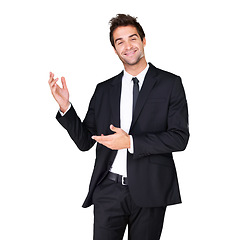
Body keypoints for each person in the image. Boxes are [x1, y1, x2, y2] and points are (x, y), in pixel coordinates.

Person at [48, 14, 189, 240]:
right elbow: (86, 142)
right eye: (119, 41)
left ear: (144, 41)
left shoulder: (170, 83)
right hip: (109, 190)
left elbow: (179, 138)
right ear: (114, 49)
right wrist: (66, 107)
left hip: (151, 190)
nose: (127, 46)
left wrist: (131, 142)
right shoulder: (104, 89)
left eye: (132, 38)